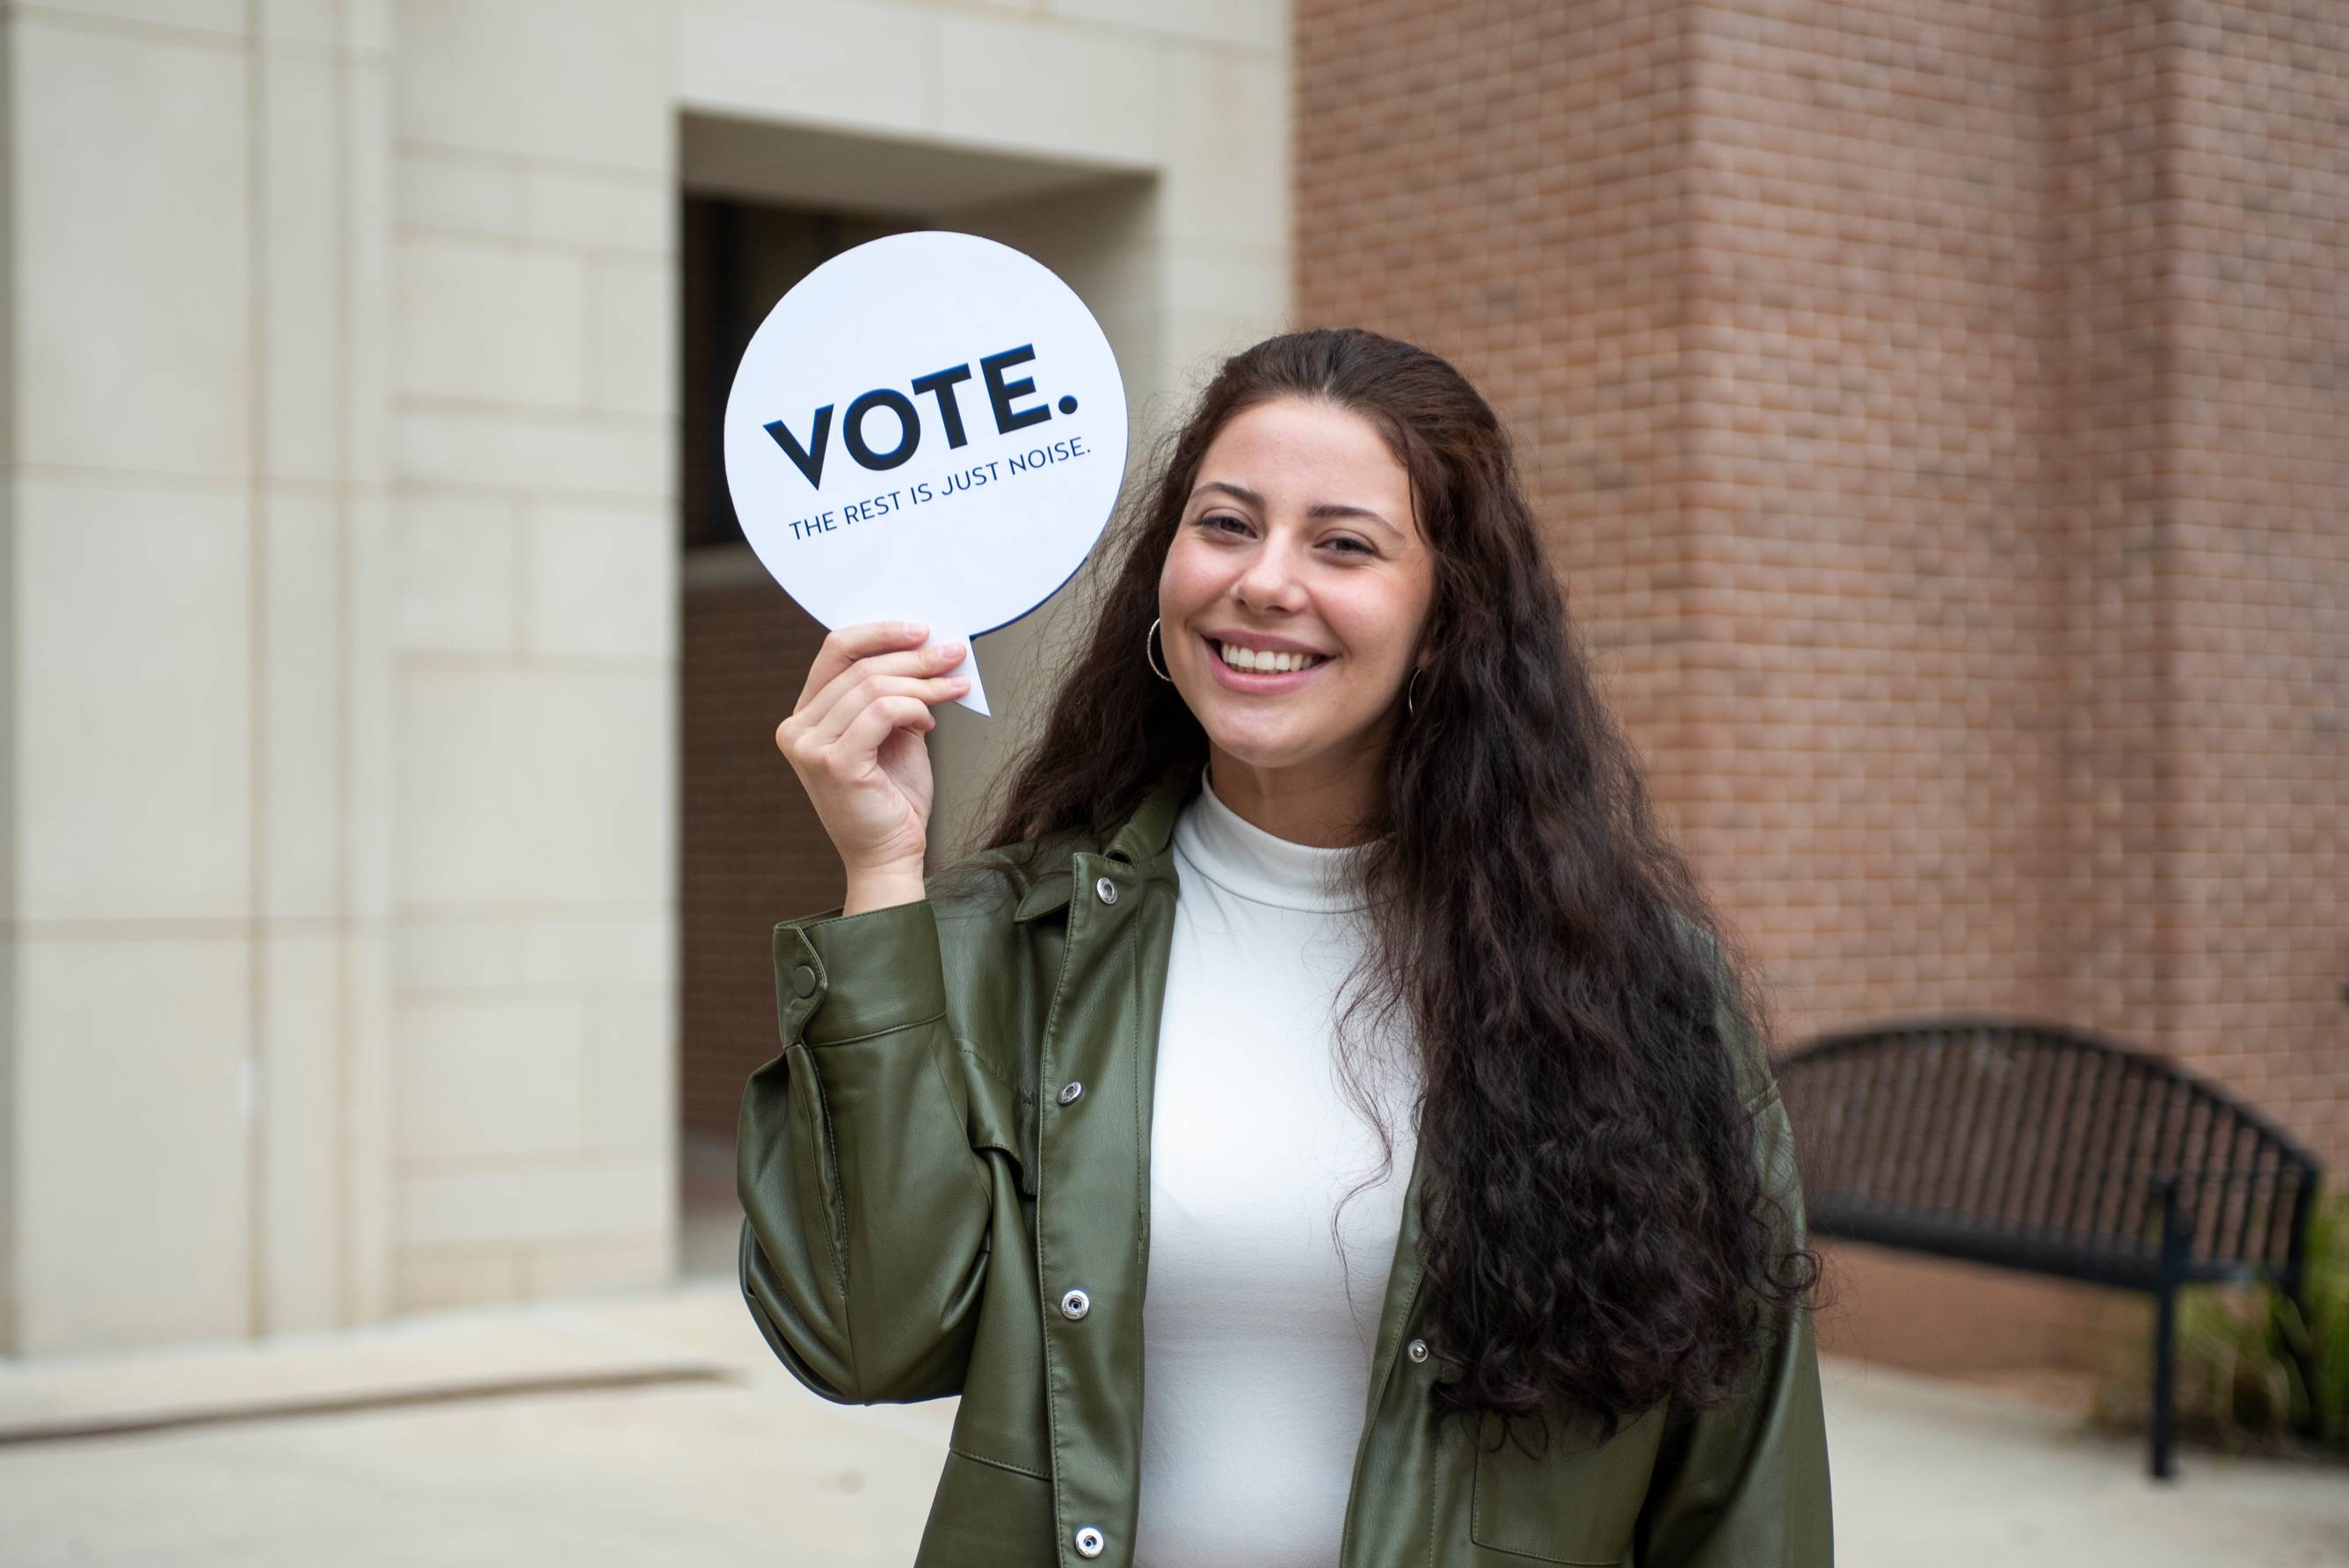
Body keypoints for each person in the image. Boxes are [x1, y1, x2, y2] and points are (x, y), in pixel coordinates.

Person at [738, 326, 1833, 1567]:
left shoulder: (1637, 989)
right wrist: (881, 873)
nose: (1265, 582)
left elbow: (1744, 1486)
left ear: (1447, 621)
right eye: (1226, 525)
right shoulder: (1018, 943)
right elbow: (864, 1338)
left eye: (1345, 544)